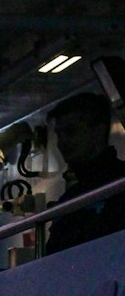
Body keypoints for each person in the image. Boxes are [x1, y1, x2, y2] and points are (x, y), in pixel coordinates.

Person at [46, 90, 125, 254]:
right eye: (59, 135)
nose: (62, 143)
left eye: (70, 132)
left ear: (97, 132)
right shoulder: (70, 199)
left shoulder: (119, 185)